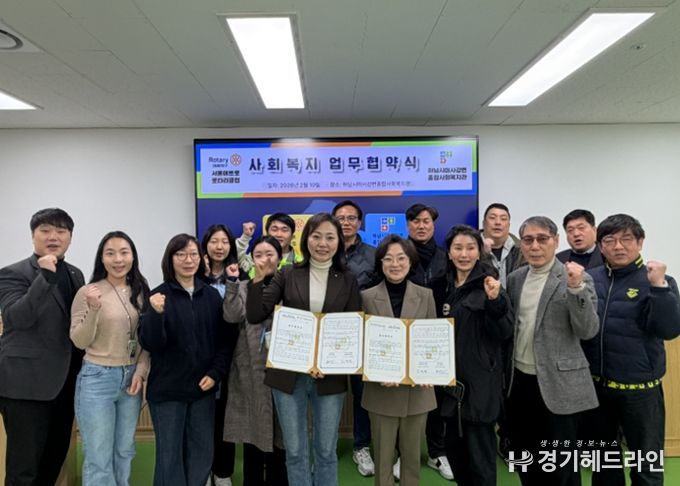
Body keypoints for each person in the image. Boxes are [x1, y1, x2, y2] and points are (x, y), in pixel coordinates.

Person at [246, 213, 361, 486]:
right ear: (305, 239)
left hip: (329, 375)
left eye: (330, 237)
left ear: (339, 242)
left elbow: (352, 329)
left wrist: (328, 362)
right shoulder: (288, 273)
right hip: (288, 372)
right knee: (295, 451)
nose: (323, 243)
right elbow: (256, 314)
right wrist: (257, 281)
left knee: (326, 450)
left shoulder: (348, 279)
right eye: (316, 236)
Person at [582, 214, 680, 486]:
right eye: (609, 240)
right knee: (603, 464)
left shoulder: (659, 280)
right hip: (598, 389)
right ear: (600, 246)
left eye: (626, 239)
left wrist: (659, 288)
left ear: (640, 242)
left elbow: (669, 330)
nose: (618, 246)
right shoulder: (590, 279)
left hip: (641, 392)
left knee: (646, 466)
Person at [505, 216, 599, 486]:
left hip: (559, 384)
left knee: (561, 467)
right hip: (519, 382)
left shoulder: (577, 278)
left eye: (542, 239)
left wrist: (576, 289)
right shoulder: (515, 279)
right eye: (528, 240)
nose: (535, 246)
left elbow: (588, 330)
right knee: (524, 457)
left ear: (556, 241)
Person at [139, 234, 235, 486]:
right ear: (170, 259)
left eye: (193, 254)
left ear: (201, 259)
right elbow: (151, 343)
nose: (188, 260)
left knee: (202, 452)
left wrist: (215, 373)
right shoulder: (158, 296)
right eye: (180, 254)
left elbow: (225, 342)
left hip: (203, 389)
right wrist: (155, 314)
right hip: (167, 391)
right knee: (169, 456)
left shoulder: (211, 296)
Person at [0, 208, 85, 485]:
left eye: (61, 231)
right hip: (26, 386)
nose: (53, 237)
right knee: (23, 469)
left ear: (70, 237)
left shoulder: (75, 274)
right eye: (45, 230)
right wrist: (45, 277)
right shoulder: (12, 273)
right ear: (33, 235)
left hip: (65, 385)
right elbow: (16, 318)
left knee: (53, 461)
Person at [70, 230, 151, 486]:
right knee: (99, 456)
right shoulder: (89, 292)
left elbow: (145, 340)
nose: (118, 259)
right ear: (102, 259)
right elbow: (79, 341)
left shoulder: (140, 291)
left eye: (124, 252)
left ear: (133, 257)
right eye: (110, 253)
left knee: (125, 451)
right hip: (97, 378)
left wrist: (141, 372)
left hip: (131, 379)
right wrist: (94, 308)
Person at [361, 234, 437, 486]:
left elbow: (432, 340)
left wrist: (430, 371)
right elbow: (362, 344)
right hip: (380, 391)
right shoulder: (367, 297)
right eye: (388, 259)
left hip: (417, 391)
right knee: (383, 458)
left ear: (410, 261)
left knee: (412, 459)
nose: (395, 264)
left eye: (401, 258)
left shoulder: (426, 295)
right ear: (380, 263)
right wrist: (377, 371)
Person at [440, 225, 513, 486]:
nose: (464, 254)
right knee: (457, 458)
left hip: (480, 388)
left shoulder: (489, 285)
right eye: (458, 248)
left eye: (470, 248)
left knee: (481, 464)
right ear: (449, 253)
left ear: (479, 252)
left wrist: (495, 302)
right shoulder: (443, 286)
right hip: (450, 389)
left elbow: (504, 332)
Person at [223, 236, 288, 486]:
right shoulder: (242, 287)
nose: (264, 260)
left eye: (270, 254)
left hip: (282, 370)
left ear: (279, 258)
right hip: (249, 369)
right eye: (258, 255)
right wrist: (234, 283)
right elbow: (231, 316)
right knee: (253, 432)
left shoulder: (289, 286)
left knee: (281, 435)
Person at [404, 203, 452, 481]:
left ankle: (437, 452)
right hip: (403, 334)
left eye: (426, 221)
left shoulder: (446, 256)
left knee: (436, 397)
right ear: (407, 224)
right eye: (415, 221)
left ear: (433, 225)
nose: (421, 226)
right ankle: (402, 454)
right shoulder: (398, 253)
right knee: (403, 395)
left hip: (437, 335)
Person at [331, 199, 376, 476]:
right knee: (329, 394)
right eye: (340, 218)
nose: (345, 222)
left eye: (351, 218)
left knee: (361, 394)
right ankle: (327, 446)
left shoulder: (373, 254)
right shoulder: (323, 251)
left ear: (360, 222)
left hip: (363, 333)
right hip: (330, 335)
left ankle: (361, 446)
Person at [200, 224, 244, 486]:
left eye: (225, 242)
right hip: (202, 356)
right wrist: (204, 277)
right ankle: (203, 468)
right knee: (202, 417)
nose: (219, 247)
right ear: (205, 245)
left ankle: (223, 471)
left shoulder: (239, 274)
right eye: (214, 241)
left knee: (226, 416)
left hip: (233, 356)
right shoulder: (195, 275)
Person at [236, 213, 303, 275]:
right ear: (267, 234)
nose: (279, 234)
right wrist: (245, 237)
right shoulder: (256, 257)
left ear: (292, 236)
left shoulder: (300, 263)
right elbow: (237, 262)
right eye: (274, 229)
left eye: (284, 230)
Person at [480, 203, 526, 287]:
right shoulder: (470, 248)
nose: (498, 222)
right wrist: (483, 254)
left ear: (509, 225)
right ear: (484, 223)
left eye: (503, 219)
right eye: (492, 218)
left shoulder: (522, 249)